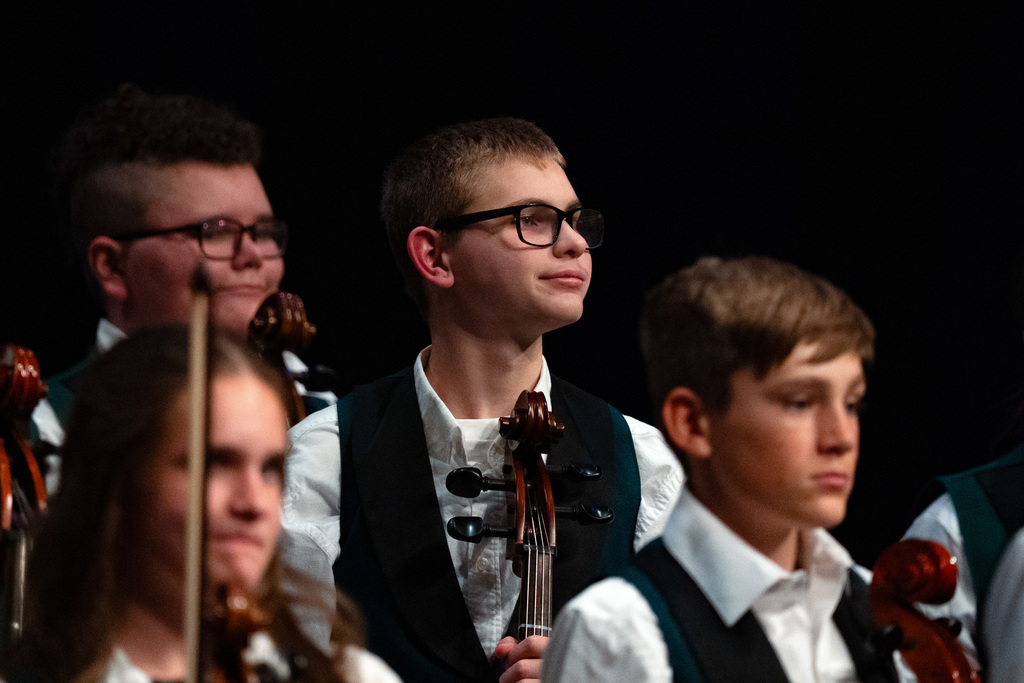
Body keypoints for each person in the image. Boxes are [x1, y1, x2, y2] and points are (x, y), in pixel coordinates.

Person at [280, 118, 683, 682]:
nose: (573, 243)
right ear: (435, 256)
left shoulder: (645, 460)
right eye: (533, 220)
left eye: (575, 221)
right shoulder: (327, 454)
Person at [542, 255, 900, 682]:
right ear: (693, 423)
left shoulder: (870, 602)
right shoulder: (619, 631)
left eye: (852, 404)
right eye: (800, 402)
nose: (841, 438)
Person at [2, 326, 397, 683]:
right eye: (215, 464)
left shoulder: (349, 676)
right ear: (116, 480)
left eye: (270, 469)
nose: (254, 504)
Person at [31, 84, 333, 455]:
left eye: (265, 232)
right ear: (111, 266)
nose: (253, 254)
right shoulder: (43, 430)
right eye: (217, 232)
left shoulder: (330, 417)